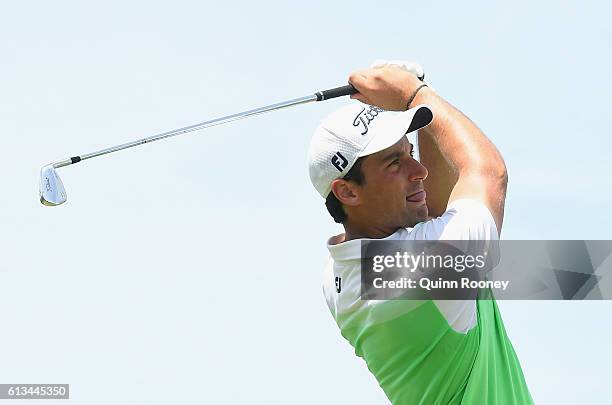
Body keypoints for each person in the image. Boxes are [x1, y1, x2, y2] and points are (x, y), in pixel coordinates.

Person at [307, 62, 533, 404]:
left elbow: (439, 211)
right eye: (394, 163)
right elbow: (488, 173)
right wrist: (415, 94)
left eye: (409, 152)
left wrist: (416, 107)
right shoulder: (417, 269)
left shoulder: (342, 270)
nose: (419, 170)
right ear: (348, 192)